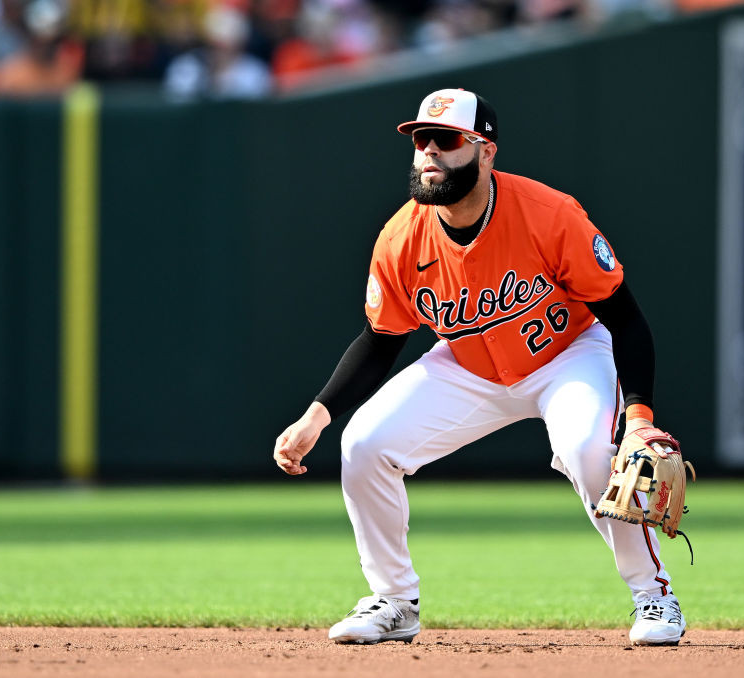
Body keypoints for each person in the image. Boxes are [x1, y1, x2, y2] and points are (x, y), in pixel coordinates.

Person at [273, 88, 686, 646]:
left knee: (591, 450)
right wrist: (316, 416)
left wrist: (637, 417)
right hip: (468, 367)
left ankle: (654, 597)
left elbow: (627, 321)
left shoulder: (550, 215)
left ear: (486, 152)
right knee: (364, 444)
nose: (429, 154)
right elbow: (380, 340)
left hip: (566, 356)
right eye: (421, 141)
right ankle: (395, 600)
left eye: (446, 141)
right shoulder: (400, 238)